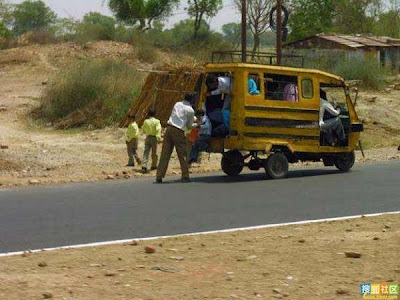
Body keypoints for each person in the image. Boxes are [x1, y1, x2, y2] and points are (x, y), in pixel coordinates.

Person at [156, 93, 195, 183]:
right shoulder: (190, 110)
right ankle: (185, 175)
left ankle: (159, 175)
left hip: (169, 128)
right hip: (179, 131)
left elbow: (179, 116)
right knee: (183, 154)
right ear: (192, 100)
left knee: (165, 153)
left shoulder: (177, 104)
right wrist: (197, 124)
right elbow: (189, 126)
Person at [141, 108, 162, 173]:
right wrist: (158, 138)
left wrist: (145, 132)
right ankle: (154, 165)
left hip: (148, 137)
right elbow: (158, 129)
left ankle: (144, 166)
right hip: (154, 138)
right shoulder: (157, 121)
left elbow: (143, 129)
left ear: (148, 114)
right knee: (154, 153)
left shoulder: (146, 121)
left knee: (146, 152)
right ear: (155, 114)